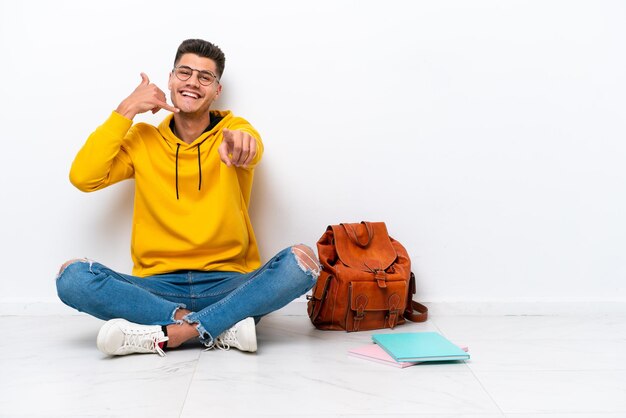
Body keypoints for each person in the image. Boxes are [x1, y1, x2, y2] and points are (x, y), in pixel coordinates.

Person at [56, 39, 320, 357]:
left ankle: (171, 333)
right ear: (170, 79)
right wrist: (126, 109)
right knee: (71, 277)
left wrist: (240, 145)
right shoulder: (143, 139)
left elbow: (249, 145)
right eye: (185, 72)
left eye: (205, 77)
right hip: (157, 287)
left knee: (302, 262)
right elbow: (83, 177)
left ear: (216, 90)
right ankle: (216, 327)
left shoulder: (234, 128)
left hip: (229, 285)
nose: (193, 82)